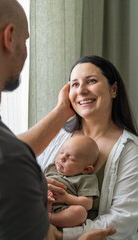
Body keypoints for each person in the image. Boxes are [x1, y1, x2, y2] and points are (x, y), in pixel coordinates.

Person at [0, 0, 118, 239]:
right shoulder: (4, 162)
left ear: (113, 90)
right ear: (10, 37)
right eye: (26, 40)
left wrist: (61, 112)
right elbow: (6, 158)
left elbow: (9, 151)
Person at [38, 55, 138, 240]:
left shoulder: (130, 150)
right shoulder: (58, 135)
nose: (82, 90)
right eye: (74, 84)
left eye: (91, 81)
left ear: (114, 89)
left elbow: (124, 219)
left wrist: (61, 235)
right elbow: (20, 175)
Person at [45, 135, 99, 228]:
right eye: (61, 152)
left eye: (70, 158)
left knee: (80, 213)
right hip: (40, 202)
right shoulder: (51, 168)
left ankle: (49, 218)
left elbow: (88, 204)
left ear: (86, 169)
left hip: (62, 210)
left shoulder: (86, 179)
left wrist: (67, 198)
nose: (62, 158)